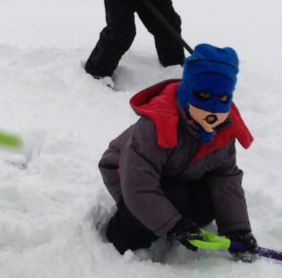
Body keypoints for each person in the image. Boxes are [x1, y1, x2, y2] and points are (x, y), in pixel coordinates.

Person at [98, 44, 259, 257]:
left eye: (223, 100)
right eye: (203, 95)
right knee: (171, 199)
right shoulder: (157, 125)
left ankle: (167, 215)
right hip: (126, 174)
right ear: (188, 92)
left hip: (177, 173)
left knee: (204, 205)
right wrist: (175, 226)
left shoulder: (223, 129)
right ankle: (122, 233)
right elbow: (138, 183)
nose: (214, 109)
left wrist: (237, 229)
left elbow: (224, 177)